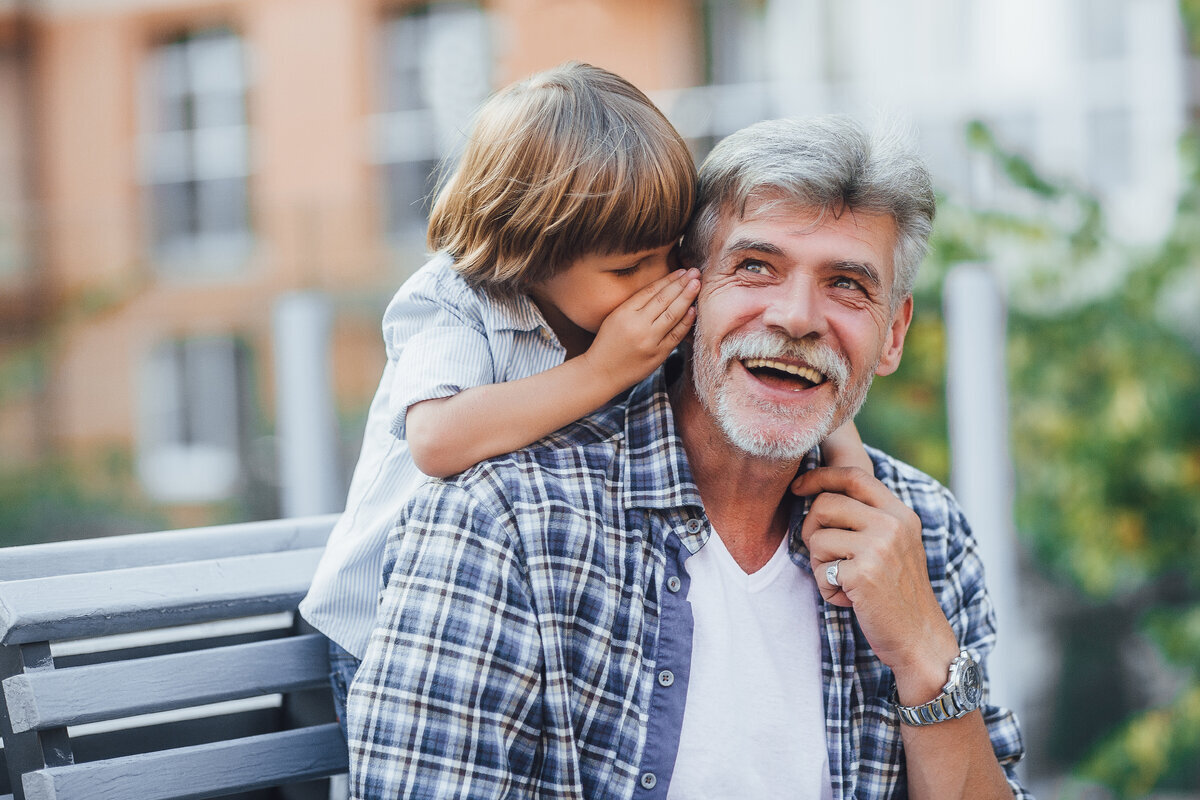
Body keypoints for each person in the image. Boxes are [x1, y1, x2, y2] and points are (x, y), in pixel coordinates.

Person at [347, 114, 1032, 799]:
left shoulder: (925, 535)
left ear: (893, 334)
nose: (797, 318)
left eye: (847, 284)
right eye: (756, 266)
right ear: (683, 290)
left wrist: (923, 654)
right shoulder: (505, 521)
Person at [300, 62, 873, 730]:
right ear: (532, 250)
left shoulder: (626, 302)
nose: (658, 282)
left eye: (669, 254)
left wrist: (847, 462)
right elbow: (437, 439)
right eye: (628, 268)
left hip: (523, 609)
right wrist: (604, 369)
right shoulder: (454, 302)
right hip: (388, 621)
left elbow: (766, 364)